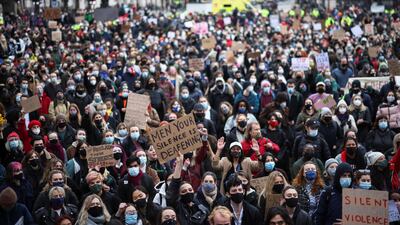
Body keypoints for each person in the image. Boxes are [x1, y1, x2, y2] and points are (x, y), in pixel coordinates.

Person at [166, 152, 209, 225]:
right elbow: (173, 191)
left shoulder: (201, 207)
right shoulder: (177, 207)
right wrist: (179, 165)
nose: (188, 192)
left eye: (190, 190)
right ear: (179, 194)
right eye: (184, 191)